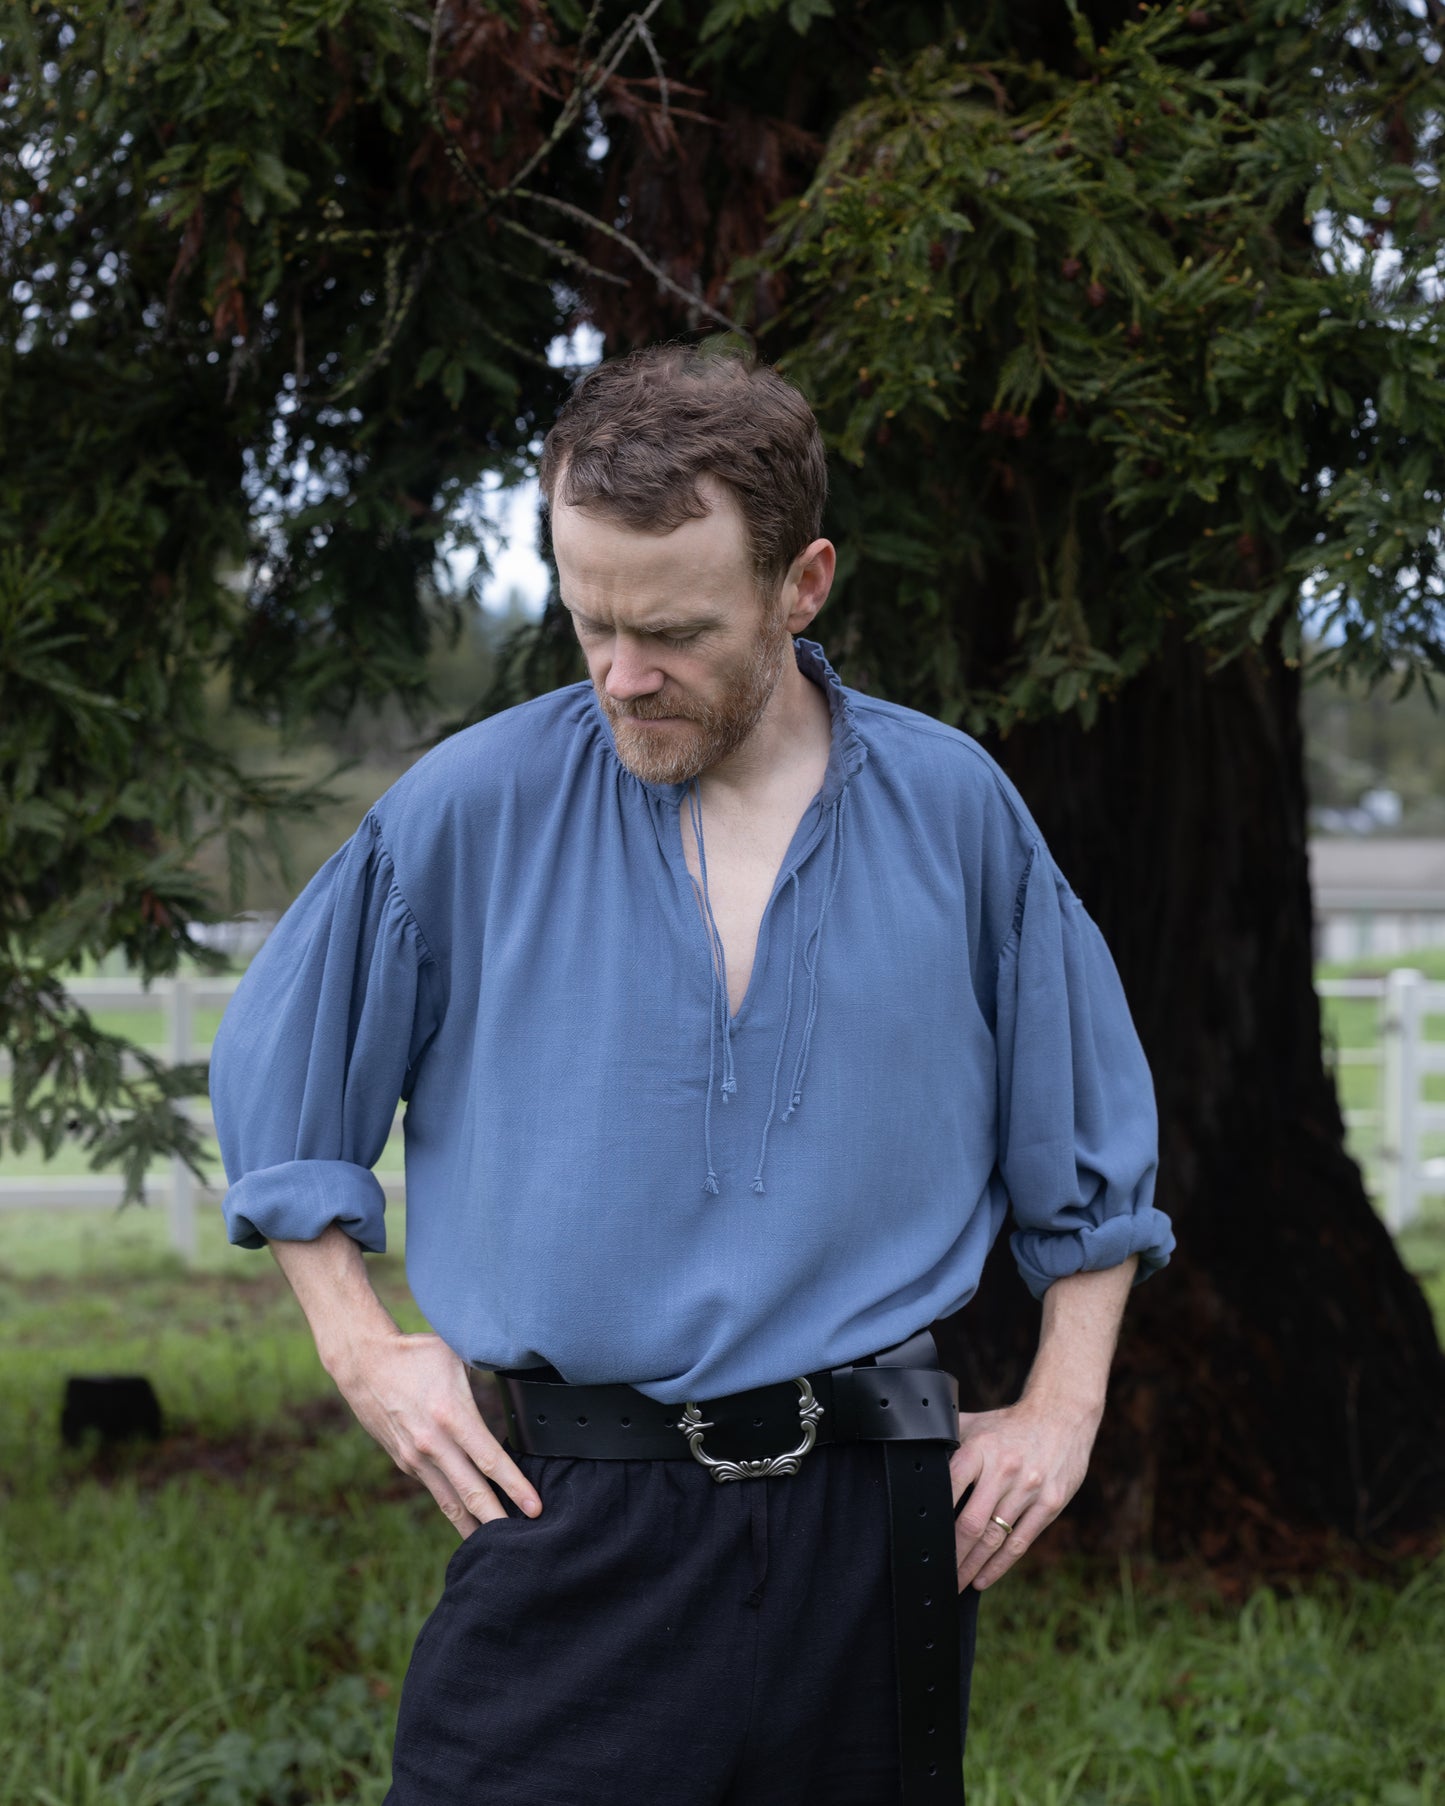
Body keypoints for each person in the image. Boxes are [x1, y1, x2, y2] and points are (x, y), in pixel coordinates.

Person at [209, 342, 1174, 1805]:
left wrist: (1064, 1406)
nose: (621, 674)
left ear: (803, 584)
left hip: (873, 1531)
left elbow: (1085, 1134)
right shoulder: (469, 810)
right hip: (571, 1513)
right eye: (589, 618)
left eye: (672, 631)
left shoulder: (955, 811)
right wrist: (360, 1346)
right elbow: (284, 1082)